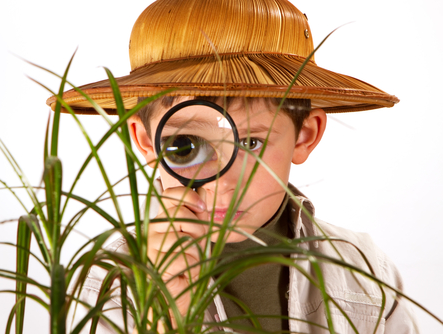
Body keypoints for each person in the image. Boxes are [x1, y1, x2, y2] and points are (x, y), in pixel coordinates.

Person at [50, 0, 417, 332]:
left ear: (304, 134)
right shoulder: (108, 282)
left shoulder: (364, 268)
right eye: (186, 146)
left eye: (250, 143)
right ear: (146, 141)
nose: (223, 182)